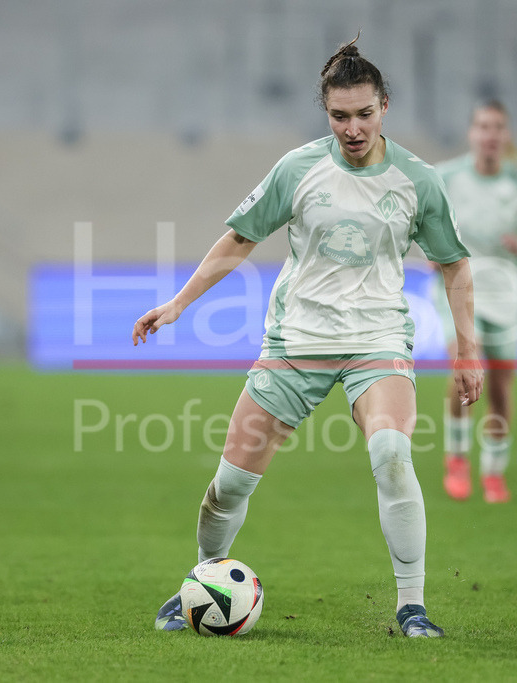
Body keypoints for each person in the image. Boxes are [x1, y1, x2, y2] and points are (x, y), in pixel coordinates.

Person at [132, 36, 483, 639]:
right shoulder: (298, 169)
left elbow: (454, 263)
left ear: (385, 108)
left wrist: (466, 349)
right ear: (327, 113)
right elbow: (240, 238)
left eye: (364, 113)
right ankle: (202, 581)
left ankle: (411, 607)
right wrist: (178, 303)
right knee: (229, 486)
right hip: (296, 343)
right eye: (340, 115)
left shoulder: (417, 180)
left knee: (391, 456)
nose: (353, 127)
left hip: (377, 339)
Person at [433, 100, 517, 503]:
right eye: (483, 126)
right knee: (465, 366)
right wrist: (431, 251)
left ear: (506, 135)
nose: (490, 134)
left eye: (497, 127)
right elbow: (420, 221)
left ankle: (494, 473)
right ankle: (457, 459)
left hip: (504, 287)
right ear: (472, 133)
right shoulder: (446, 177)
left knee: (501, 384)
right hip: (457, 285)